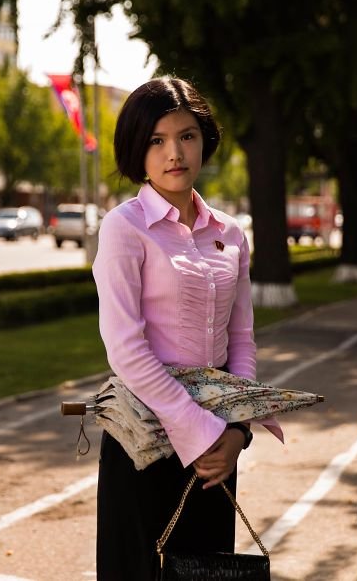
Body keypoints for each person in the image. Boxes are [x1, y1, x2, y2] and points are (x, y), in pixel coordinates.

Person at [91, 77, 283, 580]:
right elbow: (126, 351)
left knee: (206, 572)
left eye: (186, 136)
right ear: (137, 149)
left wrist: (237, 431)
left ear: (204, 140)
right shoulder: (124, 227)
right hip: (146, 446)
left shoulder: (230, 233)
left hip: (216, 454)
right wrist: (199, 430)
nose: (174, 153)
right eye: (157, 140)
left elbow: (240, 340)